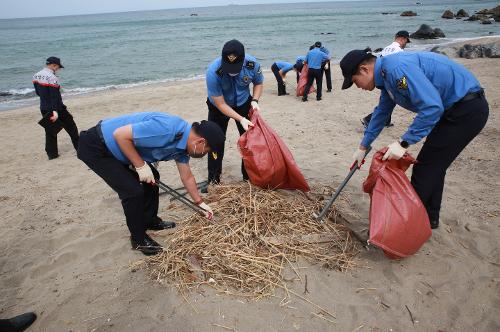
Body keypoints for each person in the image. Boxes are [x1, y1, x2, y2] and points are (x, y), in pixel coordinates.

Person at [341, 49, 489, 229]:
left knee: (425, 168)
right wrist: (363, 146)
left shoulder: (396, 70)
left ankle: (407, 225)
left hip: (466, 109)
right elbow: (382, 112)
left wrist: (404, 143)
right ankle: (428, 220)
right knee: (434, 165)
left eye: (355, 81)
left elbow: (432, 107)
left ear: (364, 69)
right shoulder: (386, 75)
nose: (358, 87)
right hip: (454, 110)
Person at [77, 112, 224, 255]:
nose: (202, 155)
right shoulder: (167, 129)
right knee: (132, 191)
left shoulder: (183, 146)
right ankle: (139, 240)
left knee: (153, 178)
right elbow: (120, 135)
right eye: (206, 151)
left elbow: (187, 176)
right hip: (97, 146)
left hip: (120, 150)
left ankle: (150, 221)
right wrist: (140, 166)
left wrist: (200, 203)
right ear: (200, 142)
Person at [205, 39, 264, 185]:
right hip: (219, 108)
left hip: (244, 103)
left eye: (235, 68)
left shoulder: (253, 64)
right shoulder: (213, 71)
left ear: (243, 60)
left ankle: (248, 177)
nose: (232, 72)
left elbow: (258, 83)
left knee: (248, 142)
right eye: (229, 68)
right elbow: (220, 104)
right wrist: (240, 119)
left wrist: (255, 101)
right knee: (215, 142)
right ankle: (213, 179)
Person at [361, 31, 411, 128]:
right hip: (392, 81)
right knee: (386, 104)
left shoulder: (386, 48)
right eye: (406, 41)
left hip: (383, 79)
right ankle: (368, 120)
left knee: (387, 102)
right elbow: (401, 70)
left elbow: (380, 63)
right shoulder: (399, 51)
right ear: (403, 39)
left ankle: (386, 121)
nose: (406, 44)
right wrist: (403, 86)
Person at [32, 57, 79, 160]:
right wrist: (55, 111)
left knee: (50, 130)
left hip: (43, 106)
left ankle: (52, 154)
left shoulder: (36, 75)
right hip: (57, 108)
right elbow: (54, 96)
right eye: (58, 67)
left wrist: (47, 103)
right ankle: (79, 148)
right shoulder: (52, 77)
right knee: (71, 126)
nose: (58, 69)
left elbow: (38, 93)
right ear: (54, 65)